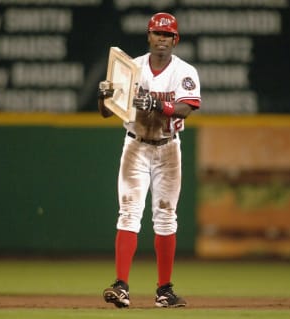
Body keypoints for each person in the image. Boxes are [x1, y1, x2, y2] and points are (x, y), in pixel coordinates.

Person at [97, 12, 200, 308]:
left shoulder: (184, 71)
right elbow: (107, 111)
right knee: (129, 212)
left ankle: (164, 291)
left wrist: (157, 103)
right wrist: (102, 96)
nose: (162, 39)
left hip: (168, 149)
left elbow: (186, 108)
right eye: (157, 33)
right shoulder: (132, 69)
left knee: (166, 218)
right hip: (136, 146)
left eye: (167, 35)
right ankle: (121, 286)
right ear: (149, 36)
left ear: (175, 40)